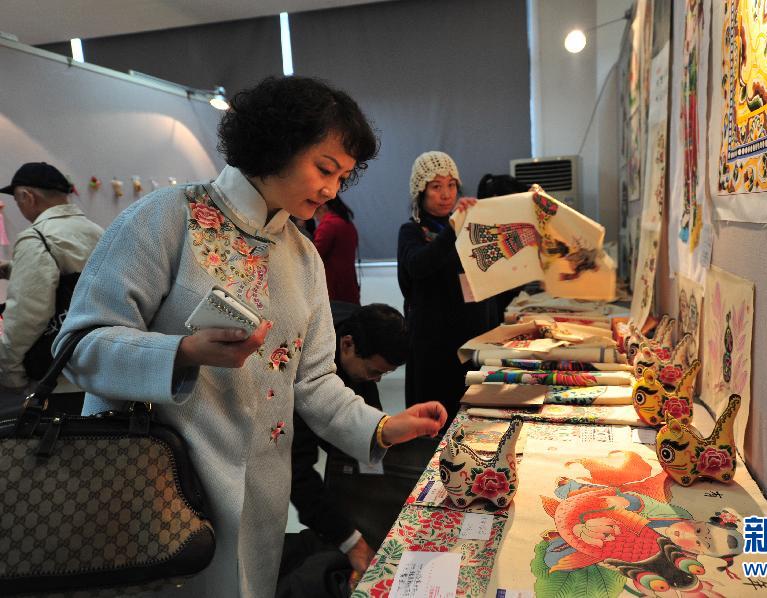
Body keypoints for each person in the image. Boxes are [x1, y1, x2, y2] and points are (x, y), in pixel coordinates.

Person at [53, 76, 447, 598]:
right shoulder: (165, 218)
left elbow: (314, 380)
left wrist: (382, 427)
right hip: (155, 480)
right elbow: (78, 346)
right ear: (276, 145)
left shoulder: (302, 257)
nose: (331, 190)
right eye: (324, 168)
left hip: (262, 492)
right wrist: (181, 352)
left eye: (342, 177)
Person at [279, 303, 408, 595]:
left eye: (383, 374)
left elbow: (368, 435)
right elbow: (297, 475)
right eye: (374, 371)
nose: (376, 380)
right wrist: (350, 540)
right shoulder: (303, 374)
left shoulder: (359, 354)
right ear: (347, 344)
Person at [397, 151, 497, 423]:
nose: (446, 194)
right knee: (435, 420)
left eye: (451, 185)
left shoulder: (468, 226)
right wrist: (453, 229)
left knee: (471, 415)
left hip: (469, 339)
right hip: (433, 345)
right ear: (421, 192)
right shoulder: (412, 231)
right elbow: (417, 266)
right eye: (436, 186)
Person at [0, 162, 103, 412]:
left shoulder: (38, 237)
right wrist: (15, 269)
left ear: (28, 196)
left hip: (57, 378)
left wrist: (11, 373)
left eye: (17, 200)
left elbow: (27, 316)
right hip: (99, 368)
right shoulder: (97, 231)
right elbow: (74, 278)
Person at [312, 195, 360, 304]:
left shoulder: (328, 225)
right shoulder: (347, 223)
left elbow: (313, 256)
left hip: (333, 290)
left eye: (315, 213)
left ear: (323, 207)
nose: (316, 219)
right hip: (348, 287)